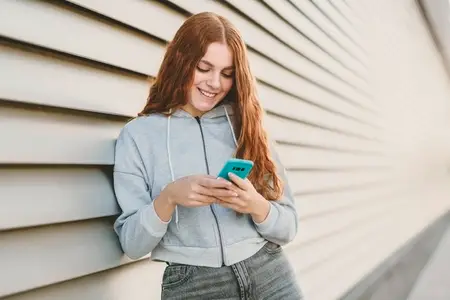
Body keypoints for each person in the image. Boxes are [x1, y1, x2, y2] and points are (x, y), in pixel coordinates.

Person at [113, 11, 302, 300]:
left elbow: (288, 226)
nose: (215, 83)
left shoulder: (246, 125)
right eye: (204, 68)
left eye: (227, 74)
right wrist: (169, 198)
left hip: (268, 271)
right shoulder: (138, 136)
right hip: (194, 284)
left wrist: (255, 204)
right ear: (181, 62)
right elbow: (132, 243)